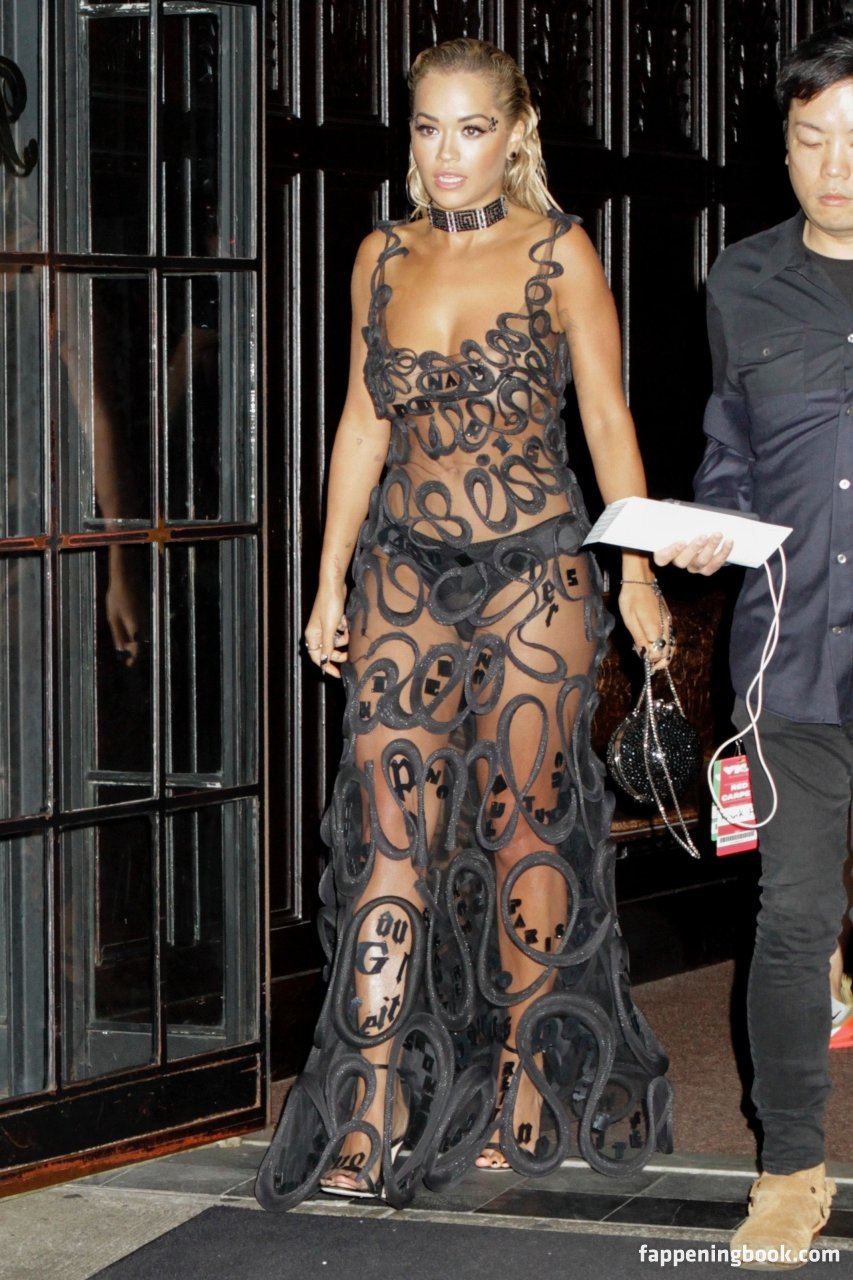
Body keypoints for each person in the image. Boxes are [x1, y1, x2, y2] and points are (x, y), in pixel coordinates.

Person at [255, 37, 672, 1212]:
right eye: (427, 128)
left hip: (534, 569)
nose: (446, 153)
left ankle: (529, 1079)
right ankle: (368, 1106)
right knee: (389, 837)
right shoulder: (380, 257)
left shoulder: (557, 251)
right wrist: (329, 578)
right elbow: (361, 424)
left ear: (513, 132)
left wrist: (635, 569)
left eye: (471, 128)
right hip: (402, 568)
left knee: (526, 827)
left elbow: (606, 416)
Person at [656, 19, 853, 1266]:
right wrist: (705, 526)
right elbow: (729, 450)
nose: (836, 164)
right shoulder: (739, 281)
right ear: (782, 146)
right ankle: (788, 1168)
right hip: (792, 652)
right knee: (789, 917)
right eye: (812, 137)